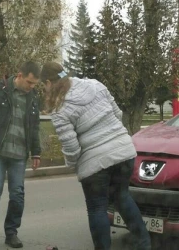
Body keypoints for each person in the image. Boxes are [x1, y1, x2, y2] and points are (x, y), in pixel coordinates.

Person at [40, 62, 151, 250]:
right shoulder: (95, 85)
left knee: (97, 207)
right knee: (122, 197)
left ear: (49, 82)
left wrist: (73, 163)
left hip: (95, 164)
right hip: (124, 152)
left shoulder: (59, 109)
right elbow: (118, 113)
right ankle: (144, 243)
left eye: (44, 86)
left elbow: (72, 148)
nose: (44, 89)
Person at [0, 61, 42, 250]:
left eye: (35, 84)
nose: (31, 87)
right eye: (29, 82)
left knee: (17, 194)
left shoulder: (32, 98)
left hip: (20, 154)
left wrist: (36, 152)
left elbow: (34, 127)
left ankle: (11, 233)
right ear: (20, 75)